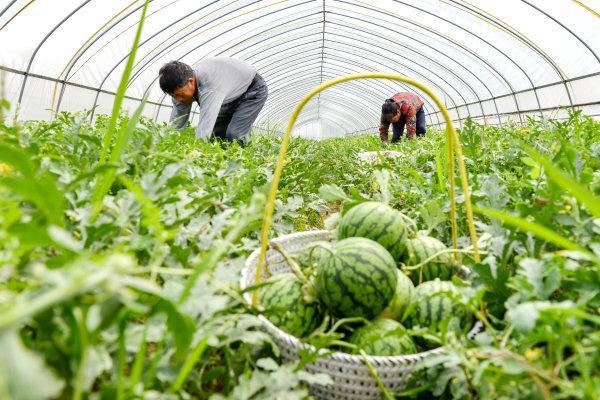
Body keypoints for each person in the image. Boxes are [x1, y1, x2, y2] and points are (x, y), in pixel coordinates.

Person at [159, 57, 268, 144]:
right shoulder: (180, 88)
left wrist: (195, 155)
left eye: (180, 95)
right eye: (173, 96)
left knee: (235, 135)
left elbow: (205, 127)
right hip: (228, 93)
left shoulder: (209, 85)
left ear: (190, 81)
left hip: (253, 90)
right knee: (216, 135)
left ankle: (242, 161)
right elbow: (177, 124)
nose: (179, 99)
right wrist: (170, 145)